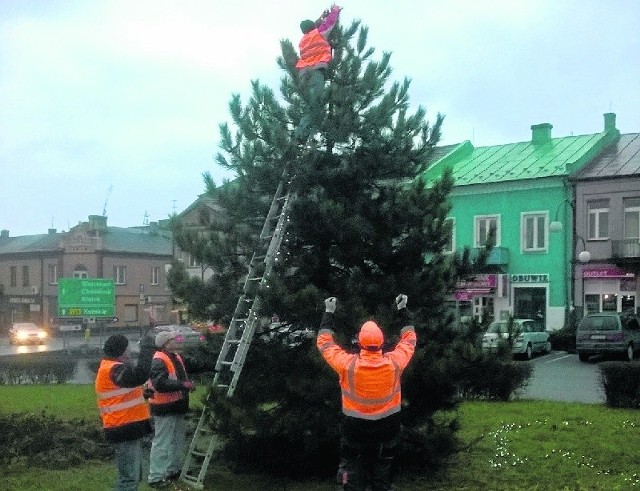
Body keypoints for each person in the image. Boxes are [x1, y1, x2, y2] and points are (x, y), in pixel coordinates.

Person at [317, 294, 416, 491]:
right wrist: (403, 309)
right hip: (387, 433)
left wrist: (329, 312)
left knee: (351, 478)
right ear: (381, 343)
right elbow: (410, 339)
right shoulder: (394, 363)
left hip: (354, 434)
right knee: (382, 479)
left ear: (360, 343)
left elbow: (324, 342)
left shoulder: (347, 365)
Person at [95, 334, 155, 491]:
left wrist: (142, 395)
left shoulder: (111, 368)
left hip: (124, 427)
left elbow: (119, 396)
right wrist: (147, 348)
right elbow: (140, 375)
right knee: (129, 479)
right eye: (128, 347)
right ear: (122, 351)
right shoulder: (113, 369)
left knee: (133, 476)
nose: (130, 351)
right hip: (123, 428)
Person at [146, 330, 196, 488]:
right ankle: (155, 476)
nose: (177, 341)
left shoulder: (174, 357)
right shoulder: (159, 360)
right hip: (164, 408)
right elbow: (160, 384)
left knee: (176, 440)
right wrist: (183, 385)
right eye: (174, 339)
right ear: (165, 343)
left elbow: (193, 366)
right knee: (162, 442)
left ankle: (172, 470)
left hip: (176, 406)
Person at [295, 4, 342, 140]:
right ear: (314, 27)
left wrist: (321, 17)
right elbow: (330, 23)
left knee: (308, 104)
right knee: (316, 105)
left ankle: (302, 135)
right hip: (316, 71)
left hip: (304, 73)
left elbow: (312, 28)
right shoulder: (319, 33)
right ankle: (306, 137)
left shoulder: (303, 40)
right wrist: (335, 11)